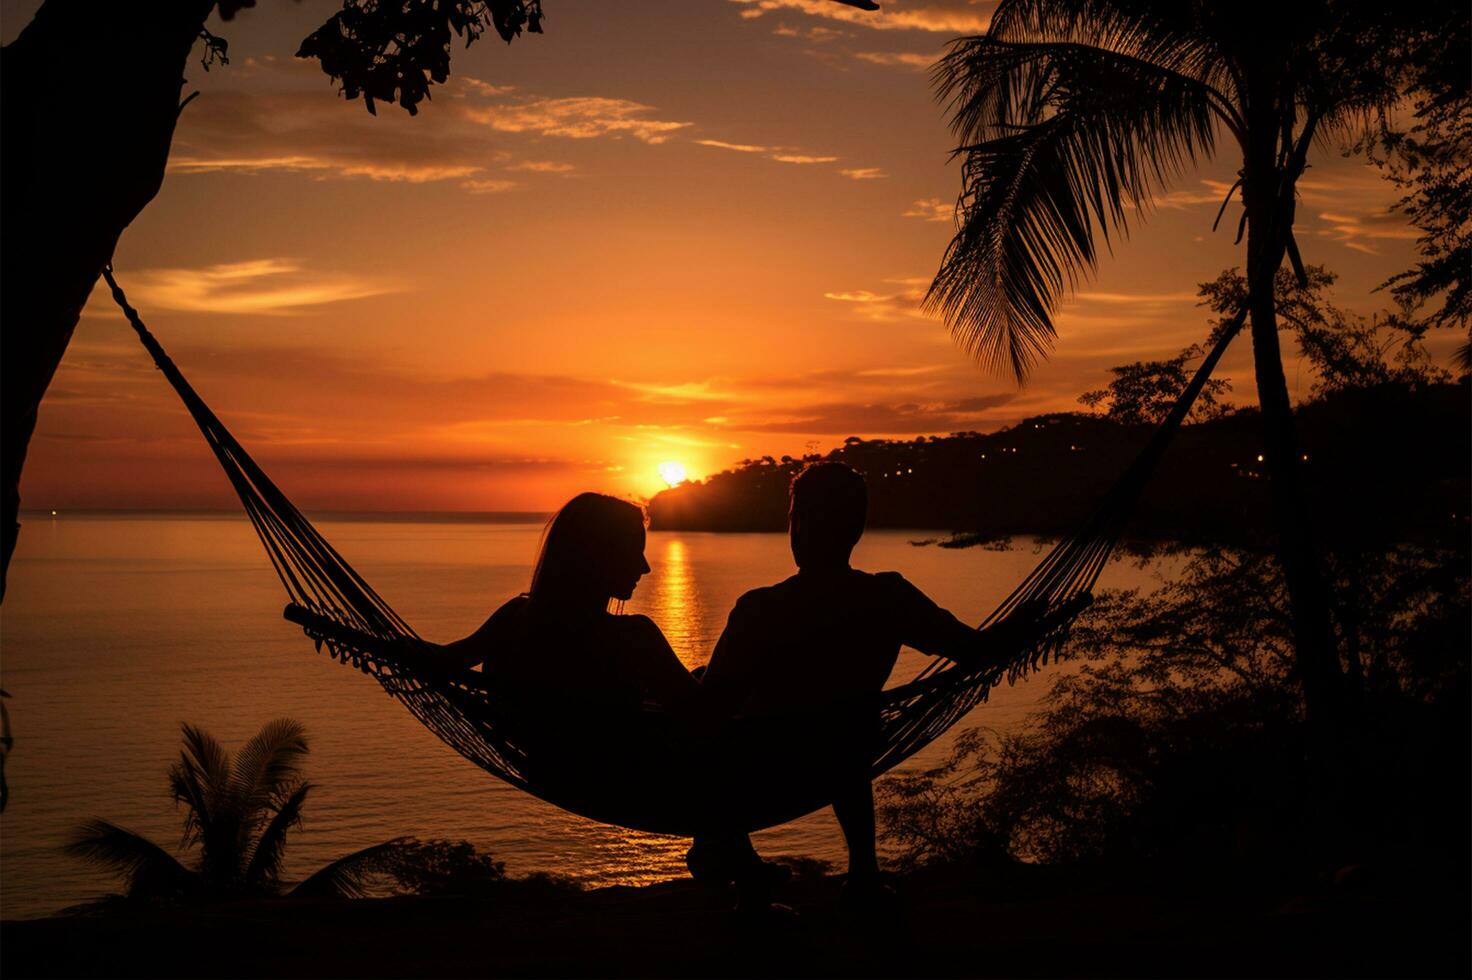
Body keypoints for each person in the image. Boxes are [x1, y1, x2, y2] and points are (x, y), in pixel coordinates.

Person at [693, 462, 1029, 914]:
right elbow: (973, 649)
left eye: (797, 517)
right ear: (857, 527)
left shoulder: (760, 610)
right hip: (846, 750)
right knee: (843, 727)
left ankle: (737, 860)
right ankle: (863, 875)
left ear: (796, 526)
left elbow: (711, 712)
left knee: (707, 721)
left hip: (766, 764)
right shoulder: (888, 598)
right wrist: (1029, 624)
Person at [433, 492, 699, 714]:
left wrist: (394, 646)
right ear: (598, 557)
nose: (645, 568)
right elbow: (704, 711)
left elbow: (445, 659)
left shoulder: (514, 620)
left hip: (545, 767)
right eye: (634, 553)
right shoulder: (633, 638)